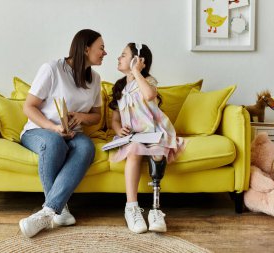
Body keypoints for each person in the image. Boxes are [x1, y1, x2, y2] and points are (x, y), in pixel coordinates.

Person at [19, 29, 107, 238]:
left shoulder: (95, 78)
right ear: (86, 49)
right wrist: (53, 127)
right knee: (55, 143)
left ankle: (49, 211)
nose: (105, 53)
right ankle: (59, 209)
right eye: (101, 48)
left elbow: (96, 116)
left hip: (72, 134)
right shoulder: (52, 69)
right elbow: (29, 107)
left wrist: (81, 117)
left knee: (86, 147)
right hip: (39, 130)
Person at [108, 43, 186, 234]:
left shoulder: (148, 81)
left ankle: (155, 210)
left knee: (158, 154)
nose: (119, 58)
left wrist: (136, 72)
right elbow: (115, 119)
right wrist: (119, 130)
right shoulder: (119, 86)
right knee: (134, 152)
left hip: (154, 131)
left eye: (123, 55)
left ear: (137, 60)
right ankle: (131, 207)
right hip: (134, 136)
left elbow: (150, 95)